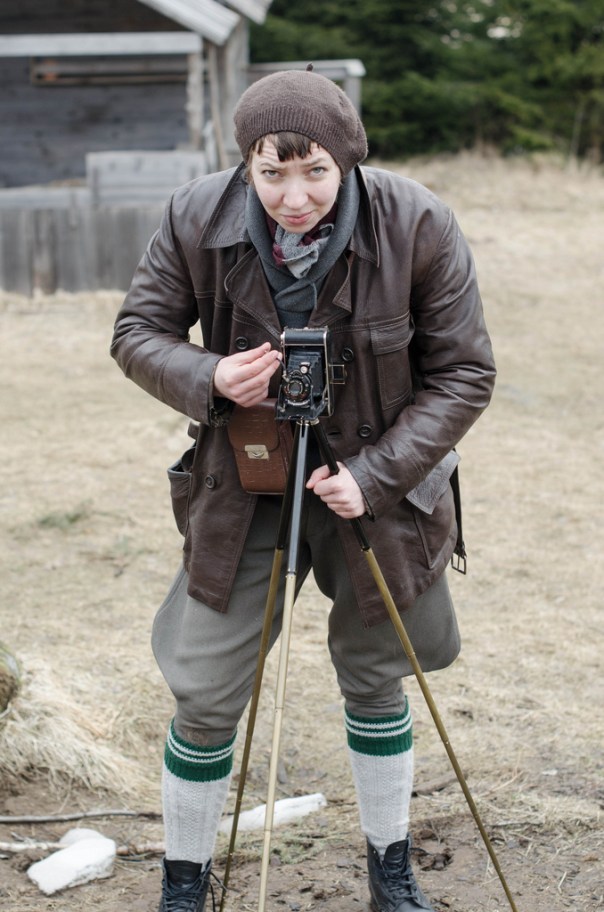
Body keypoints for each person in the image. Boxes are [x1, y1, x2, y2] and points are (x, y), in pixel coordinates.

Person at [111, 66, 495, 912]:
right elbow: (137, 332)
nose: (293, 196)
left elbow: (465, 372)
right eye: (271, 171)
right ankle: (183, 884)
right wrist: (213, 376)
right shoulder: (191, 215)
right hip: (241, 485)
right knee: (204, 691)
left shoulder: (419, 221)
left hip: (379, 491)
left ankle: (390, 873)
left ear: (349, 158)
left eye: (314, 170)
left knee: (379, 673)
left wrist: (377, 474)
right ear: (245, 163)